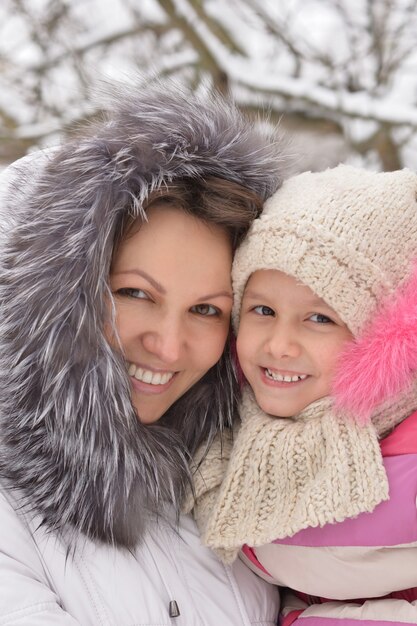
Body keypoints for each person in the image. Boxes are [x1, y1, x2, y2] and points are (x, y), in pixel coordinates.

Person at [0, 80, 285, 624]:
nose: (169, 346)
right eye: (134, 293)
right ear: (46, 298)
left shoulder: (229, 492)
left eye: (207, 309)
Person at [189, 165, 417, 625]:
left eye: (319, 319)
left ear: (381, 335)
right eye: (263, 310)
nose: (278, 345)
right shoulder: (222, 432)